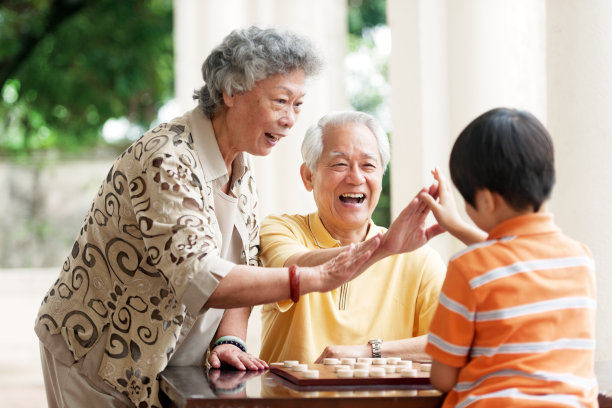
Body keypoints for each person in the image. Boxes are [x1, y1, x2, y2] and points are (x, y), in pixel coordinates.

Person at [34, 26, 384, 408]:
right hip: (98, 353)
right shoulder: (167, 158)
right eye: (280, 101)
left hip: (164, 361)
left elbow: (244, 263)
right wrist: (312, 279)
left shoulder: (240, 166)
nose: (289, 119)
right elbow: (201, 277)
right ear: (230, 92)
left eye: (298, 105)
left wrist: (230, 338)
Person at [419, 107, 597, 407]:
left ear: (487, 200)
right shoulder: (580, 259)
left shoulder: (468, 269)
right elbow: (517, 258)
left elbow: (443, 378)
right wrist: (457, 226)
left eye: (466, 200)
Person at [258, 110, 447, 364]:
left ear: (381, 177)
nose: (356, 178)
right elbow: (291, 270)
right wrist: (383, 248)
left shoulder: (420, 260)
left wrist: (367, 352)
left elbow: (450, 343)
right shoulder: (280, 229)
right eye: (340, 164)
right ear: (308, 176)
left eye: (368, 165)